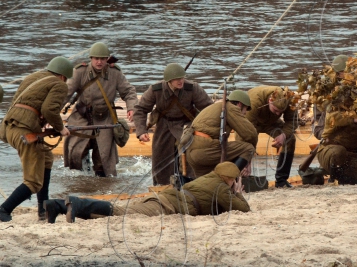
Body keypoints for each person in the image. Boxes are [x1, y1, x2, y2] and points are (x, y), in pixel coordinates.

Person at [44, 160, 250, 223]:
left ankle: (58, 205)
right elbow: (244, 209)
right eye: (234, 180)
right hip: (166, 205)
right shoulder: (222, 188)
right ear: (230, 179)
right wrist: (238, 192)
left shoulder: (209, 178)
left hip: (163, 198)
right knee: (119, 212)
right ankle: (76, 203)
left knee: (120, 209)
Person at [0, 57, 73, 222]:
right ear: (63, 76)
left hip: (9, 128)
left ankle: (43, 209)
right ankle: (4, 209)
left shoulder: (33, 77)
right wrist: (61, 128)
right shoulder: (59, 84)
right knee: (33, 181)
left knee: (46, 159)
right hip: (25, 131)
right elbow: (49, 110)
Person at [63, 42, 138, 177]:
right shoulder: (80, 72)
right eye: (96, 58)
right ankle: (81, 179)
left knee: (104, 159)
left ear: (107, 59)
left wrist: (131, 108)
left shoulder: (115, 73)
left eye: (102, 59)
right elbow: (65, 93)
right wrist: (50, 113)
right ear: (91, 58)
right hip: (82, 116)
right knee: (76, 153)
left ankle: (101, 184)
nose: (99, 62)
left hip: (105, 118)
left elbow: (129, 92)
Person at [133, 63, 213, 185]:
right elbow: (140, 109)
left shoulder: (192, 88)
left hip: (187, 124)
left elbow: (209, 108)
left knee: (191, 155)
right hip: (164, 125)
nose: (181, 81)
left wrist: (208, 130)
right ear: (169, 80)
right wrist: (141, 131)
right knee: (160, 160)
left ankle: (191, 184)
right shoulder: (156, 90)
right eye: (177, 79)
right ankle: (162, 187)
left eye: (182, 78)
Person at [183, 90, 257, 179]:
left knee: (206, 182)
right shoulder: (230, 108)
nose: (245, 113)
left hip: (191, 152)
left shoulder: (214, 107)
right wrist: (248, 160)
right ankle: (229, 180)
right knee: (248, 148)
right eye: (245, 109)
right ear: (240, 104)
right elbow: (250, 134)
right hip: (205, 149)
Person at [315, 56, 357, 183]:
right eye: (340, 73)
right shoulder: (330, 100)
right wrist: (334, 130)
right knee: (337, 153)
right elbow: (318, 130)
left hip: (354, 152)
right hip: (334, 149)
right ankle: (334, 177)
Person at [246, 86, 297, 189]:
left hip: (270, 122)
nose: (278, 113)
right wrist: (247, 160)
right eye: (276, 110)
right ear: (270, 101)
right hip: (251, 122)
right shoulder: (255, 101)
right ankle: (242, 177)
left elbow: (293, 121)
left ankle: (281, 180)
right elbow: (245, 133)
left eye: (280, 112)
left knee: (290, 139)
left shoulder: (289, 99)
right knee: (245, 144)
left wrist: (283, 135)